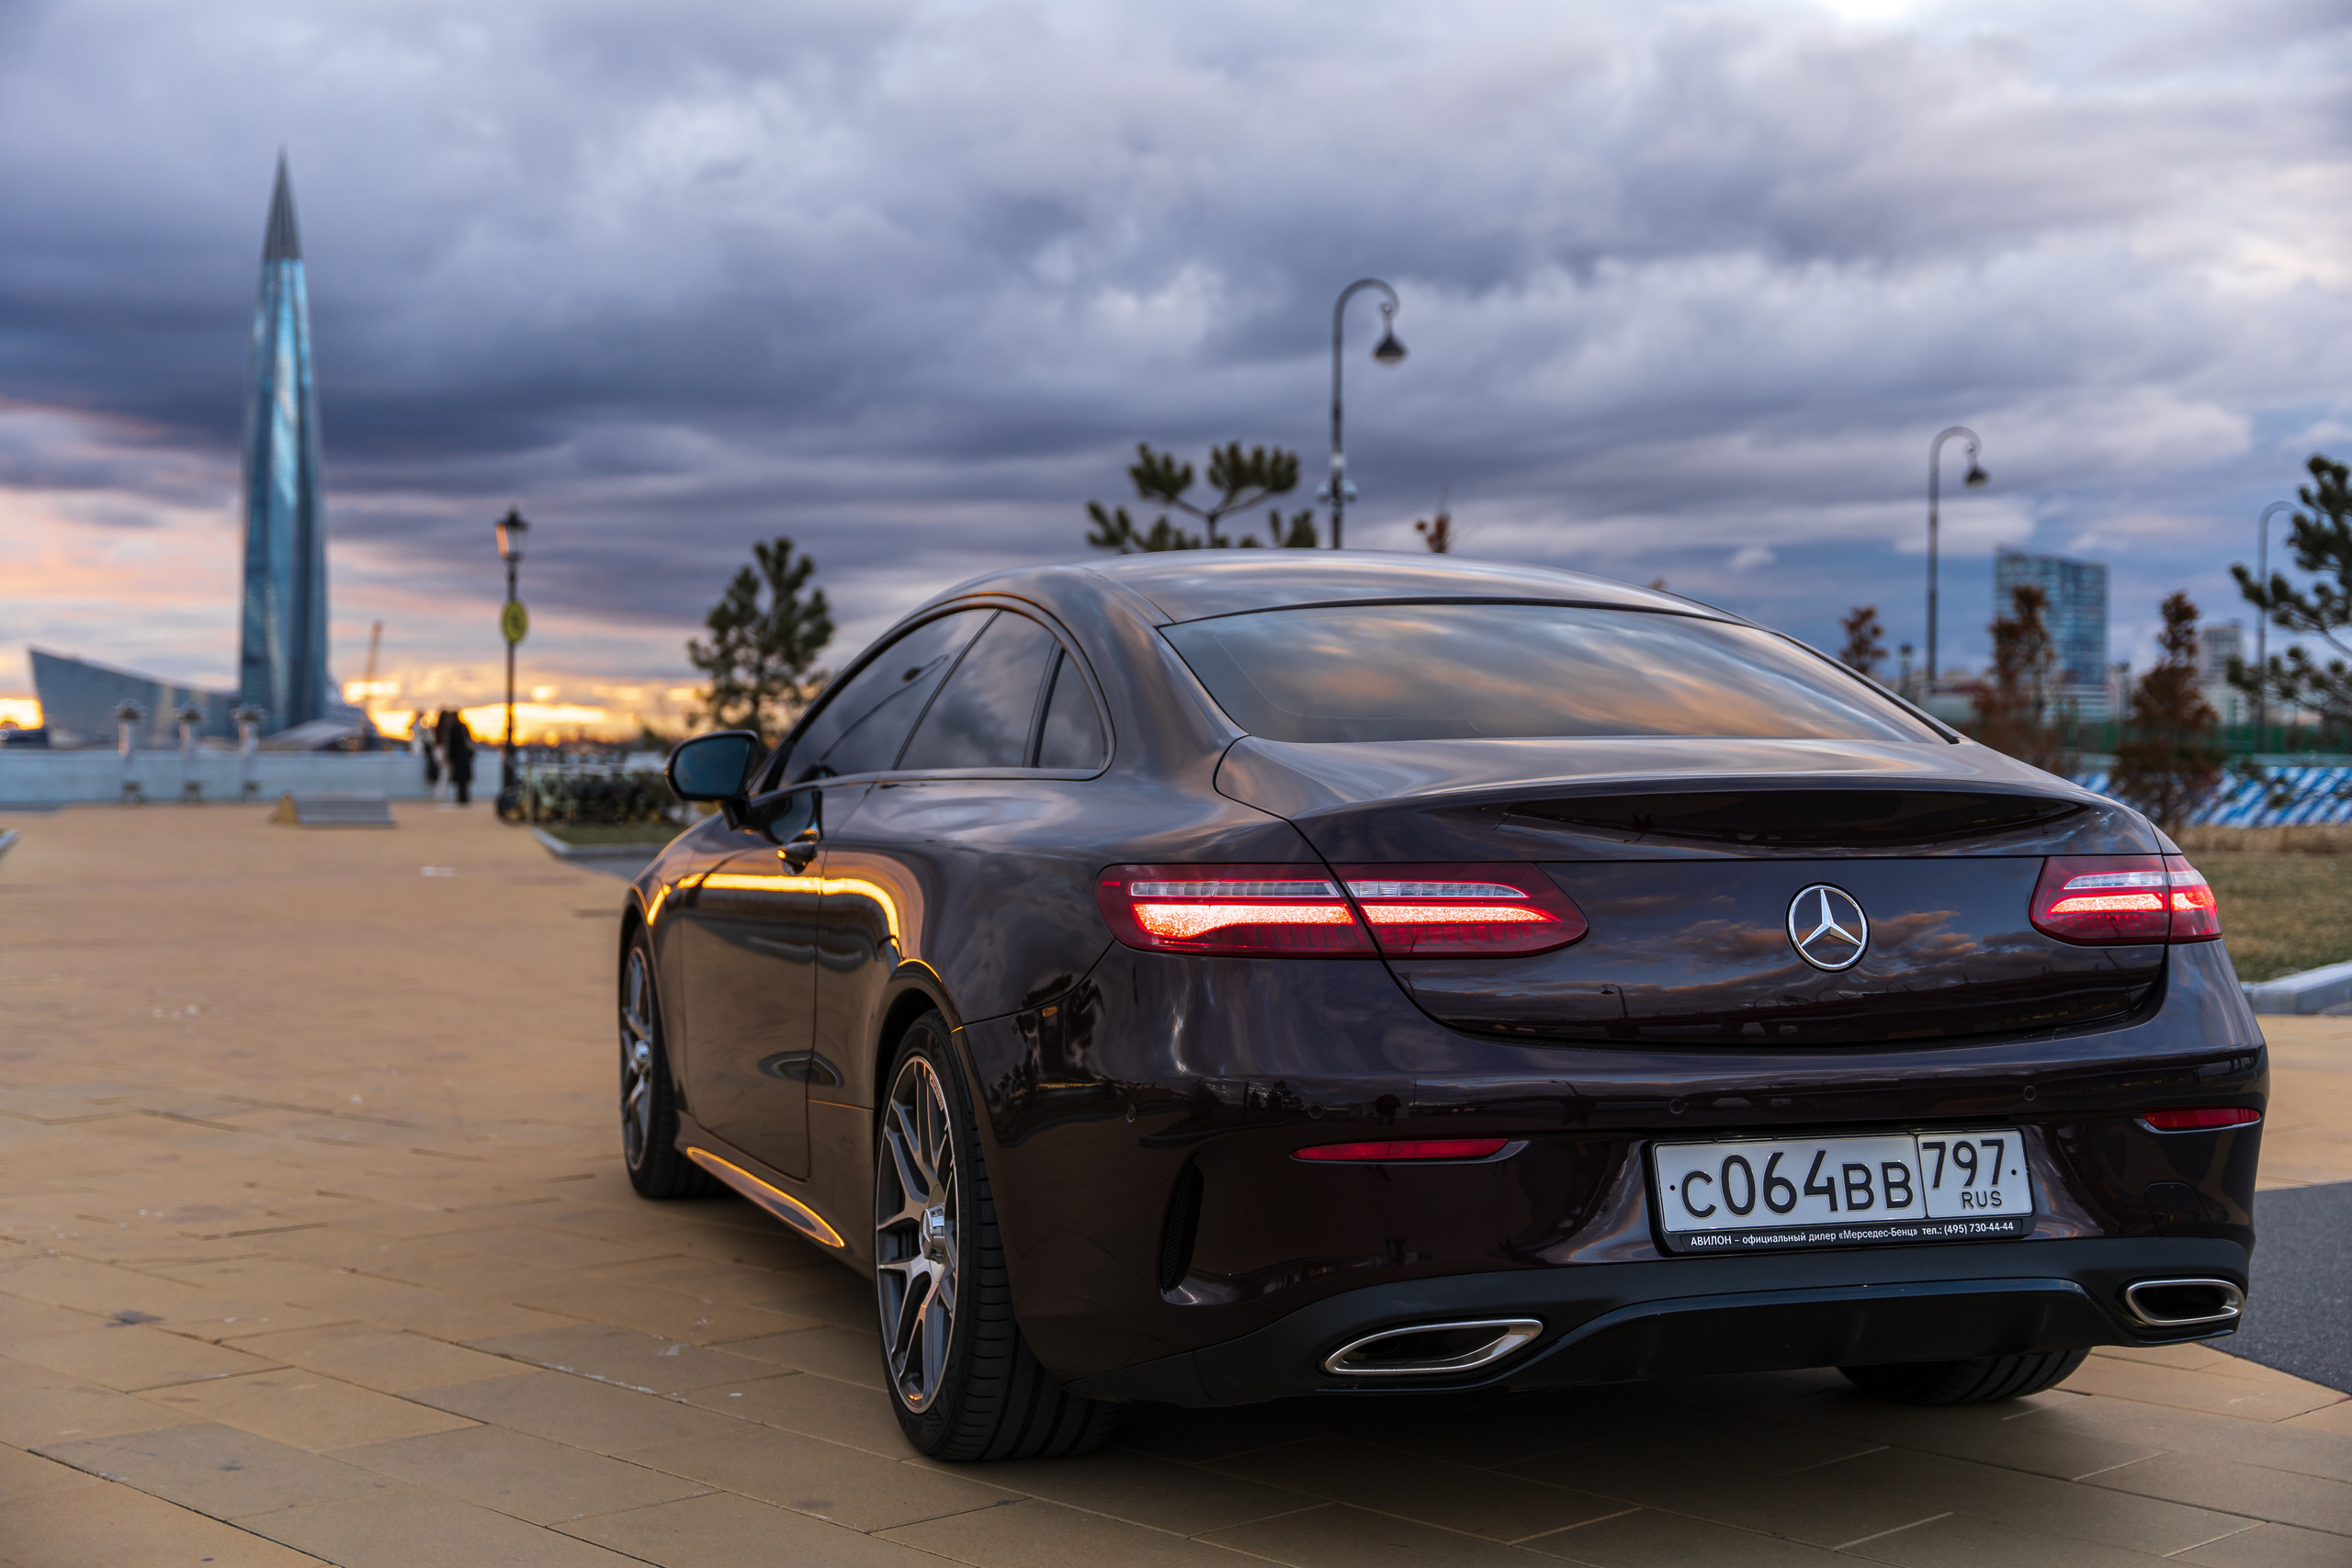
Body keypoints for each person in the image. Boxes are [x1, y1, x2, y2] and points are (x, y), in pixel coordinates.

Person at [439, 710, 476, 806]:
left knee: (460, 779)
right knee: (464, 780)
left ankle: (461, 798)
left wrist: (449, 756)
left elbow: (451, 744)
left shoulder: (452, 727)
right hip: (465, 756)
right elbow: (469, 740)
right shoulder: (464, 726)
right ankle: (464, 798)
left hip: (458, 757)